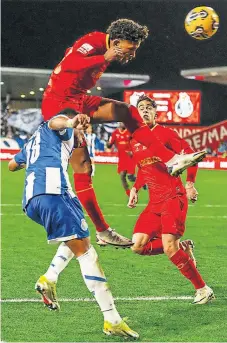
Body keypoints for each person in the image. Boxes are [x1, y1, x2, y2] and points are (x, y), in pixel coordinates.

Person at [8, 113, 139, 338]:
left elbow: (12, 165)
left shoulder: (33, 141)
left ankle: (49, 278)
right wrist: (71, 123)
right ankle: (112, 319)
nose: (83, 137)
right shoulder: (60, 127)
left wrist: (31, 160)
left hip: (32, 202)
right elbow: (58, 122)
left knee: (78, 234)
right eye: (82, 132)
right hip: (53, 194)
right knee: (87, 254)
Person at [41, 18, 206, 179]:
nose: (133, 55)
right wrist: (103, 58)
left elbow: (71, 53)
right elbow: (68, 65)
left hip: (79, 100)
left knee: (128, 111)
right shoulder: (93, 41)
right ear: (116, 43)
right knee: (83, 167)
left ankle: (171, 160)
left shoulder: (102, 48)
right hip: (59, 105)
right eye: (131, 49)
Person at [127, 95, 214, 305]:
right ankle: (183, 248)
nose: (145, 111)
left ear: (156, 112)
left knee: (169, 247)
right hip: (154, 202)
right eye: (141, 108)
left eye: (149, 108)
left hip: (173, 197)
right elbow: (143, 167)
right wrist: (136, 188)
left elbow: (193, 156)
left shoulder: (167, 134)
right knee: (137, 246)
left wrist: (190, 183)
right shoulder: (135, 139)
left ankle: (203, 289)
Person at [107, 122, 136, 197]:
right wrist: (108, 144)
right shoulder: (115, 133)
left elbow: (135, 142)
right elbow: (109, 145)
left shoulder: (130, 132)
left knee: (130, 176)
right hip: (122, 158)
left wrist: (133, 151)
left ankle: (142, 183)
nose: (122, 123)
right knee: (122, 175)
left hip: (130, 158)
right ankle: (128, 192)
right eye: (121, 122)